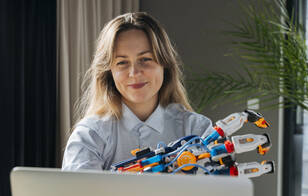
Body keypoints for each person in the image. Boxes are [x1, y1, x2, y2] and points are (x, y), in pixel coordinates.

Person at [62, 12, 213, 171]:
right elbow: (78, 194)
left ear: (165, 64)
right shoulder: (90, 135)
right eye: (122, 62)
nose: (134, 73)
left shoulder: (197, 130)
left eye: (145, 59)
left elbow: (219, 192)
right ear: (109, 72)